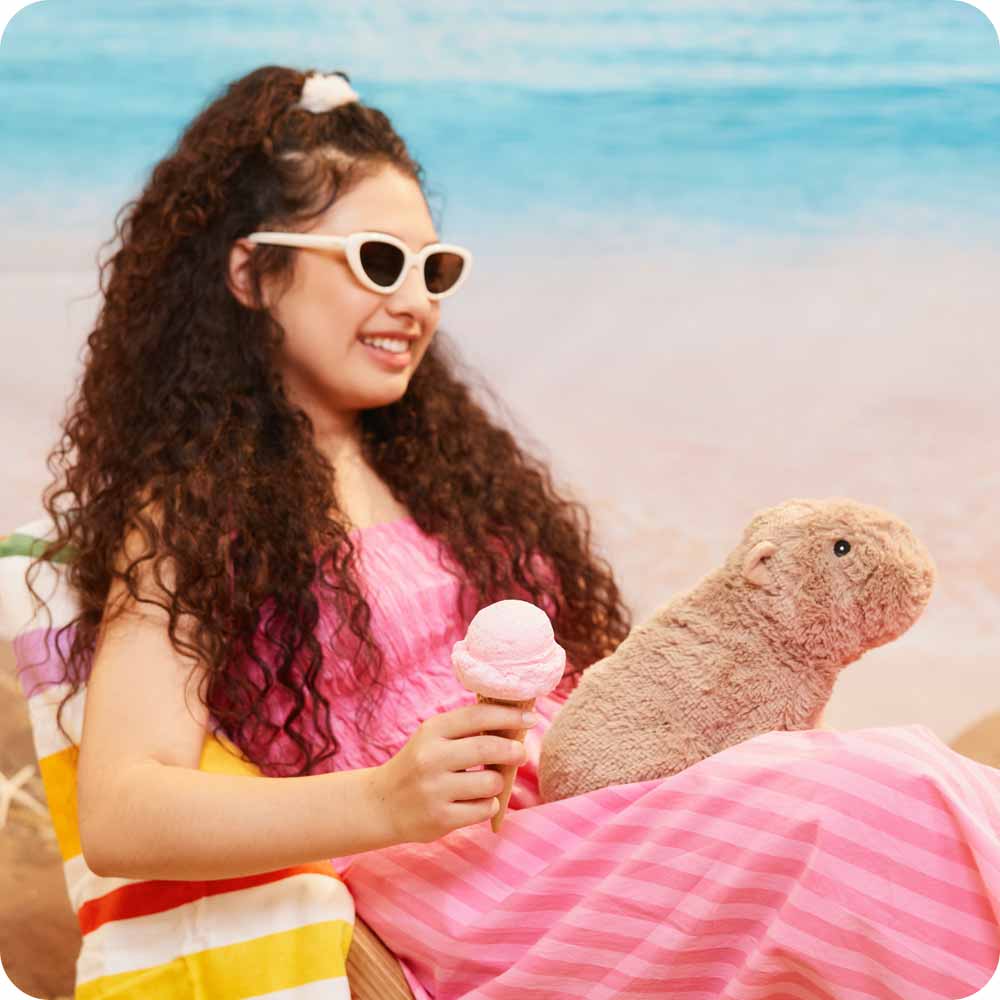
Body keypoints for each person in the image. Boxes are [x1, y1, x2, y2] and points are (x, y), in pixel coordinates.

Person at [38, 65, 998, 999]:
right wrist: (378, 803)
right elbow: (122, 808)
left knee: (885, 779)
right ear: (251, 271)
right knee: (858, 805)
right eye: (378, 261)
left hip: (589, 819)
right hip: (468, 886)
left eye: (434, 269)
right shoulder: (195, 511)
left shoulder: (448, 474)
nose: (414, 301)